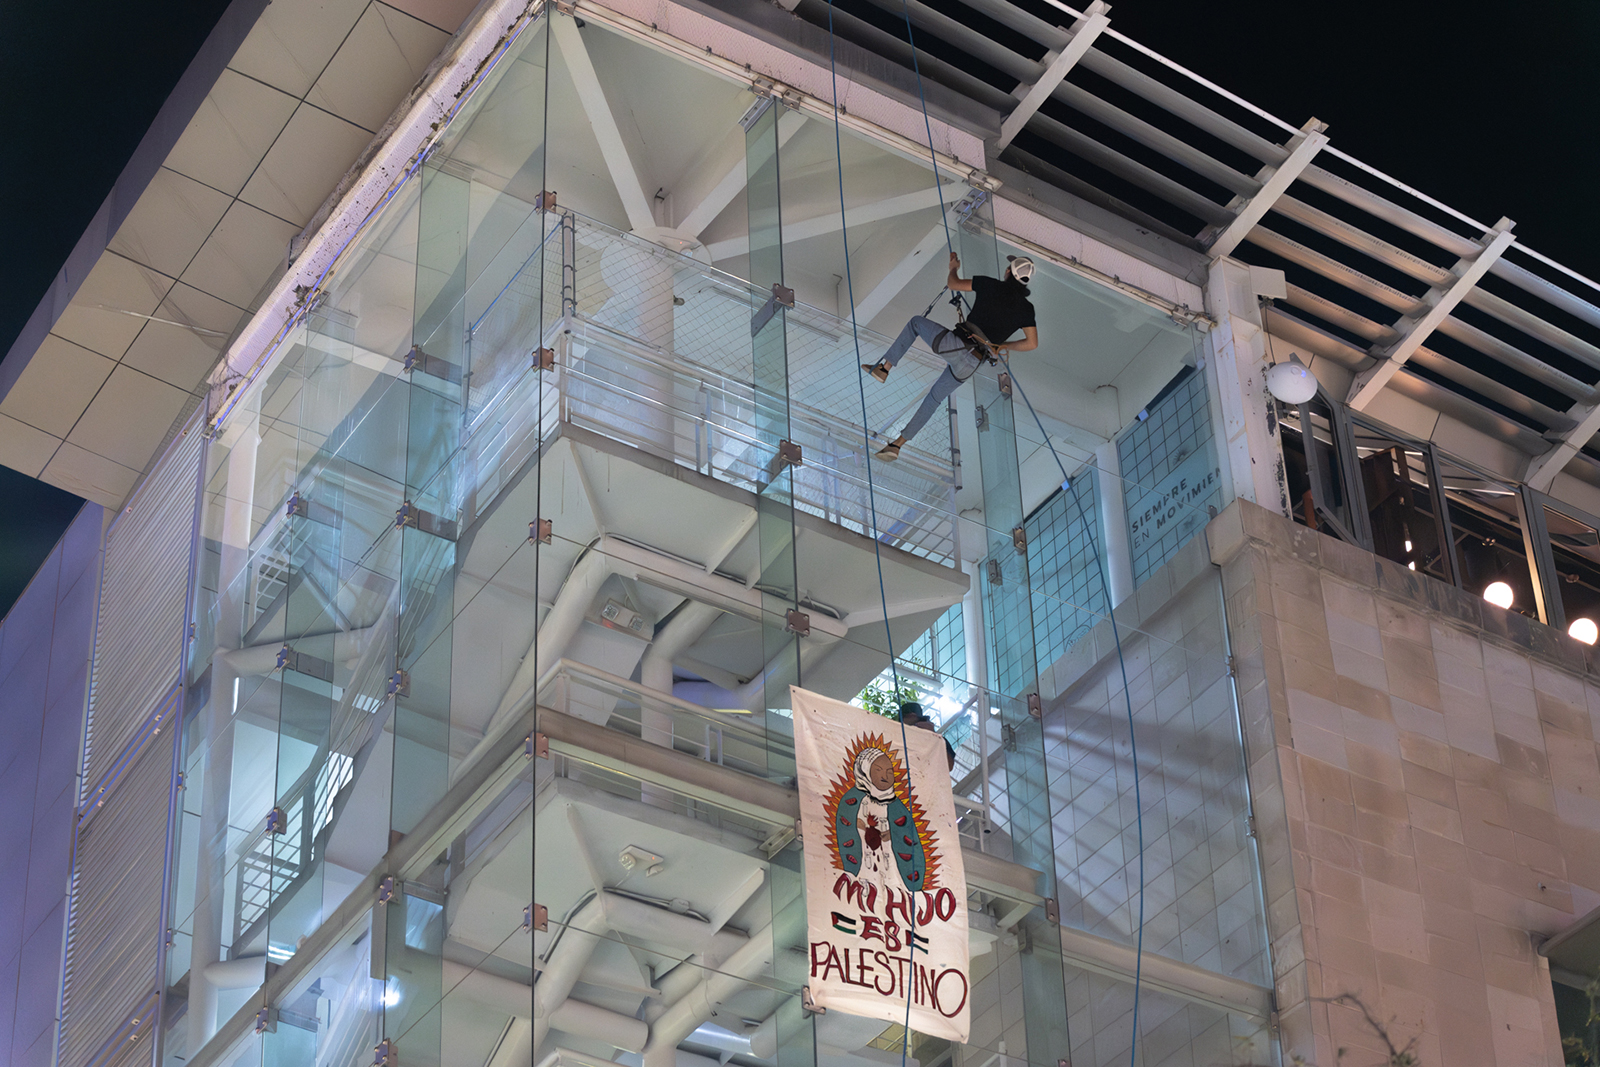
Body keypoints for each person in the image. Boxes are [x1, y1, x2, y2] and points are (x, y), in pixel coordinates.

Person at [862, 252, 1039, 459]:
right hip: (972, 363)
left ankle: (885, 368)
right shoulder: (1027, 309)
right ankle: (897, 445)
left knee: (916, 323)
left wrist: (953, 267)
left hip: (955, 345)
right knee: (934, 398)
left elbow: (953, 283)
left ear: (1009, 272)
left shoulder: (990, 284)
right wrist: (1002, 346)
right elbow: (1031, 343)